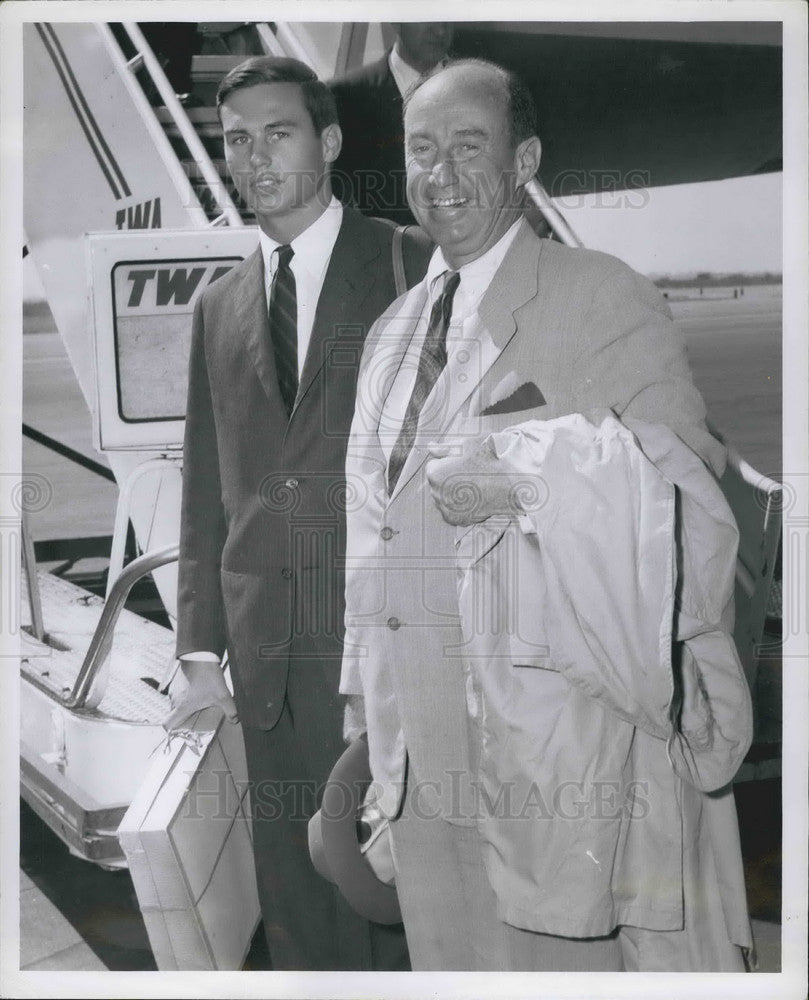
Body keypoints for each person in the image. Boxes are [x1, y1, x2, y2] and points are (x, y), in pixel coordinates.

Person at [339, 59, 754, 971]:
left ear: (523, 157)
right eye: (419, 149)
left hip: (548, 767)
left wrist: (527, 479)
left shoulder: (599, 295)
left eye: (466, 146)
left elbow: (685, 498)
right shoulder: (392, 331)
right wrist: (364, 724)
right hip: (414, 763)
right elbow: (368, 536)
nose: (438, 173)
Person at [168, 55, 431, 971]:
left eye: (276, 131)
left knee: (396, 892)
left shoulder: (408, 262)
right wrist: (198, 654)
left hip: (382, 644)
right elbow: (209, 487)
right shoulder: (217, 306)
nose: (253, 156)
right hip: (265, 656)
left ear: (325, 141)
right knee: (296, 903)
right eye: (236, 140)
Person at [330, 23, 454, 225]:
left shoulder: (485, 89)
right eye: (426, 16)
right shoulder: (345, 97)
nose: (440, 30)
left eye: (445, 17)